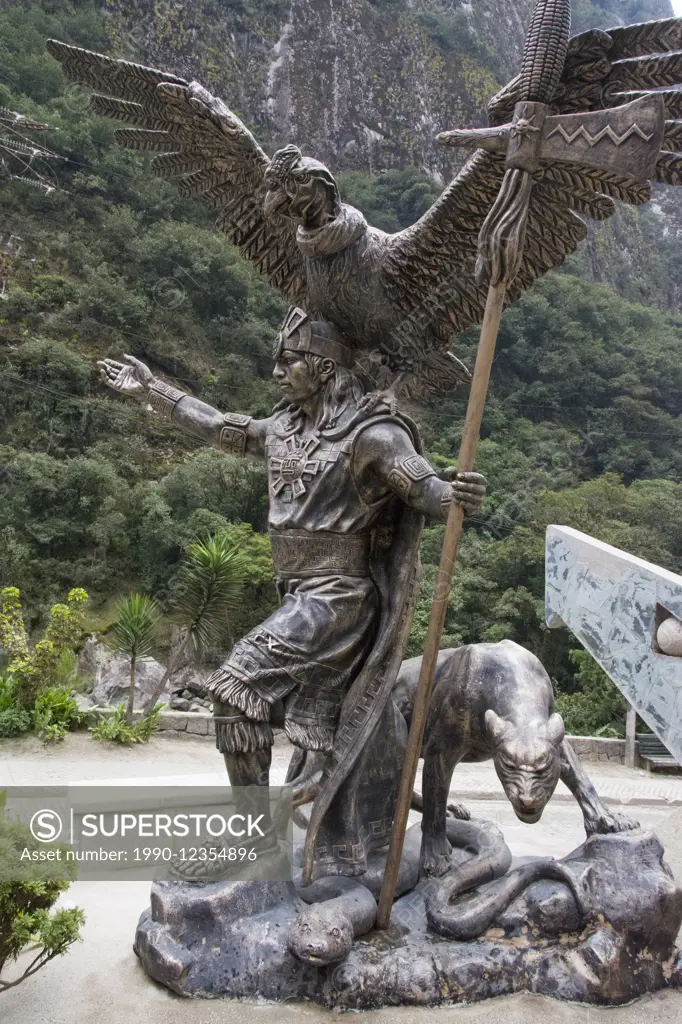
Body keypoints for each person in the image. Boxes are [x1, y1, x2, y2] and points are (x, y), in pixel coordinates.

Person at [99, 306, 486, 878]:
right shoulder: (283, 429)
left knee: (234, 687)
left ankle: (257, 845)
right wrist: (150, 388)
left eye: (289, 361)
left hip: (341, 600)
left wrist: (453, 496)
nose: (277, 371)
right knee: (249, 702)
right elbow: (217, 425)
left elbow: (422, 486)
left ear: (325, 368)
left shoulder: (373, 434)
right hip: (299, 596)